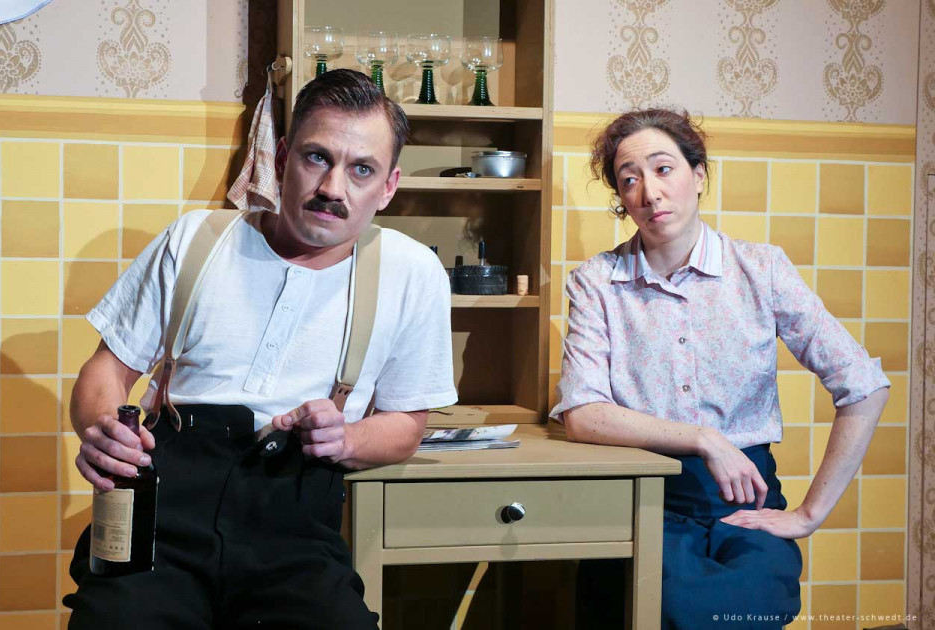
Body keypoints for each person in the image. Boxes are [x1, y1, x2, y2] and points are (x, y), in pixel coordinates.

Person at [64, 69, 458, 629]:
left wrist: (345, 438)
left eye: (361, 169)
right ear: (282, 158)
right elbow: (106, 370)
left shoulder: (411, 273)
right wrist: (103, 430)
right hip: (163, 514)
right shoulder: (196, 240)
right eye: (317, 158)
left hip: (294, 529)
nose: (333, 188)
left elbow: (407, 426)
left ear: (389, 186)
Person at [551, 108, 889, 629]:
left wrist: (809, 514)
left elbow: (864, 385)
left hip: (748, 506)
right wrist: (704, 439)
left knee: (747, 609)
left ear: (699, 175)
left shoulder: (762, 269)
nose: (649, 192)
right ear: (621, 197)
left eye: (664, 169)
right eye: (629, 179)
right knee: (666, 608)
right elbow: (583, 415)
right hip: (643, 503)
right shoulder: (597, 282)